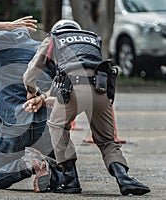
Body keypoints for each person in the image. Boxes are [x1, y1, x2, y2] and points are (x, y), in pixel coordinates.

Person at [22, 19, 151, 196]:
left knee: (57, 126)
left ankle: (71, 180)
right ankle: (123, 178)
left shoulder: (55, 37)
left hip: (71, 88)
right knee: (107, 141)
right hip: (101, 89)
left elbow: (30, 73)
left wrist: (32, 92)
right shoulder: (92, 38)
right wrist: (44, 99)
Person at [0, 16, 66, 193]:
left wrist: (6, 25)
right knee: (60, 178)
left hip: (14, 122)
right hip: (43, 121)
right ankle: (52, 170)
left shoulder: (1, 43)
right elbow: (57, 86)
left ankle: (30, 163)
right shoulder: (40, 50)